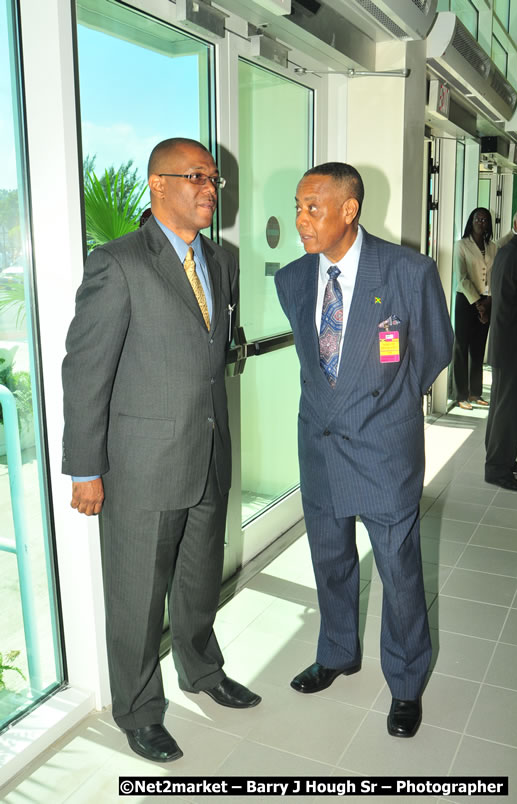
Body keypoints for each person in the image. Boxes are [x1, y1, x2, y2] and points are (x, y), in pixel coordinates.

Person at [62, 137, 260, 763]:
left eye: (213, 179)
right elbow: (85, 372)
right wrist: (87, 469)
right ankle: (139, 710)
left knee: (199, 581)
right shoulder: (117, 263)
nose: (210, 188)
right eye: (197, 176)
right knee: (137, 598)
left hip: (206, 453)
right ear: (158, 185)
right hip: (141, 468)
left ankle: (201, 670)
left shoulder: (221, 261)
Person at [275, 162, 453, 738]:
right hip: (320, 446)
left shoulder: (407, 271)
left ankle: (405, 683)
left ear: (349, 211)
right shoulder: (295, 280)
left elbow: (433, 351)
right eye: (299, 206)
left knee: (400, 573)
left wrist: (388, 408)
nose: (301, 220)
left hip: (383, 448)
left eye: (312, 208)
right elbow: (315, 365)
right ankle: (336, 653)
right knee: (330, 560)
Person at [484, 202, 517, 492]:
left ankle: (501, 460)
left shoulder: (506, 250)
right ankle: (497, 469)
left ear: (516, 223)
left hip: (504, 344)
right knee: (510, 411)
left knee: (501, 410)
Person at [450, 207, 497, 410]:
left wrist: (488, 301)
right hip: (466, 301)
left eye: (485, 219)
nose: (481, 222)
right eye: (478, 218)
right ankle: (460, 394)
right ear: (471, 221)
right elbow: (461, 277)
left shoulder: (494, 247)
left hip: (487, 302)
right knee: (461, 347)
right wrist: (479, 303)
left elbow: (496, 275)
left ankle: (475, 392)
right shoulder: (461, 245)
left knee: (478, 348)